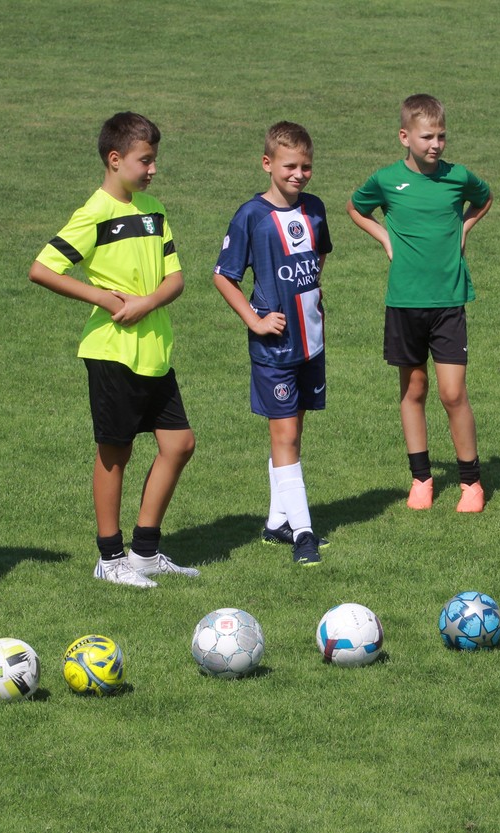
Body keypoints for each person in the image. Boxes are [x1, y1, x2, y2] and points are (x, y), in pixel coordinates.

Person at [30, 112, 200, 588]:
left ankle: (144, 552)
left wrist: (147, 302)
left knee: (180, 444)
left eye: (154, 160)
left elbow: (176, 278)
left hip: (155, 350)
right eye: (145, 160)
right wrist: (104, 298)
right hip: (111, 351)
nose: (152, 169)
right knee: (115, 452)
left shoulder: (153, 210)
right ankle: (109, 558)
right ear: (115, 159)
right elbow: (43, 269)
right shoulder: (95, 213)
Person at [347, 94, 493, 513]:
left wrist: (464, 229)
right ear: (404, 137)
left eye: (441, 136)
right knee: (414, 389)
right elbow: (356, 208)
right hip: (405, 302)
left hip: (448, 301)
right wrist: (385, 238)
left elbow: (484, 198)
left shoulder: (458, 177)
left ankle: (471, 483)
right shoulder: (386, 180)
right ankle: (421, 479)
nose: (436, 144)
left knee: (452, 392)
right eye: (427, 137)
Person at [213, 122, 333, 567]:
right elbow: (223, 276)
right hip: (275, 348)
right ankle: (304, 534)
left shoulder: (314, 208)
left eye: (306, 167)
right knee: (284, 435)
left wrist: (313, 294)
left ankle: (276, 522)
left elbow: (319, 254)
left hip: (311, 341)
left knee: (293, 435)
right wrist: (255, 319)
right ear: (267, 164)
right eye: (289, 166)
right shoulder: (251, 216)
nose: (299, 174)